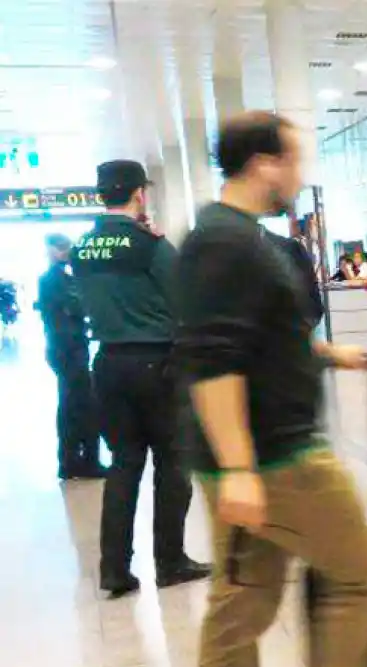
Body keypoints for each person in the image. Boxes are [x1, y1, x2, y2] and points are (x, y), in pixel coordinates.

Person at [175, 111, 367, 667]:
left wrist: (329, 353)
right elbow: (213, 362)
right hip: (275, 460)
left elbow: (256, 340)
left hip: (255, 457)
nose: (299, 176)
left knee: (242, 601)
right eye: (295, 161)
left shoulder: (235, 238)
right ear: (264, 163)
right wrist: (241, 468)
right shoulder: (225, 244)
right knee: (364, 573)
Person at [72, 159, 210, 598]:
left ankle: (114, 569)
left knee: (124, 463)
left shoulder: (81, 248)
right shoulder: (149, 245)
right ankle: (170, 561)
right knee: (173, 461)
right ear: (139, 194)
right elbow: (185, 299)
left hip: (108, 363)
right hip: (156, 363)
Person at [38, 234, 104, 481]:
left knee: (72, 403)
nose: (67, 252)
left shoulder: (59, 277)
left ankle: (72, 460)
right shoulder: (55, 279)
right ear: (52, 250)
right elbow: (78, 306)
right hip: (68, 349)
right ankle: (81, 461)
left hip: (65, 347)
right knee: (80, 404)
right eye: (62, 248)